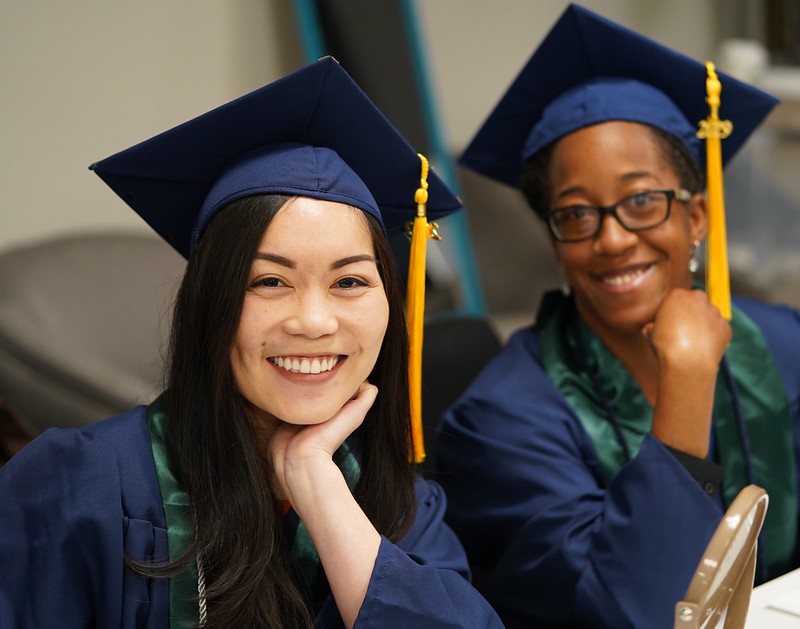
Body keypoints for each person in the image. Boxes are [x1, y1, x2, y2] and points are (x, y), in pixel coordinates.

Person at [0, 57, 503, 628]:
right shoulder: (82, 484)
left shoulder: (407, 509)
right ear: (208, 303)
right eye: (269, 281)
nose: (314, 321)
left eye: (350, 282)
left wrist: (317, 482)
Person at [435, 4, 800, 628]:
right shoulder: (499, 426)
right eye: (577, 213)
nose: (611, 239)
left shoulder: (784, 342)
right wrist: (686, 380)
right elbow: (636, 613)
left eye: (642, 201)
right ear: (554, 240)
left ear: (697, 218)